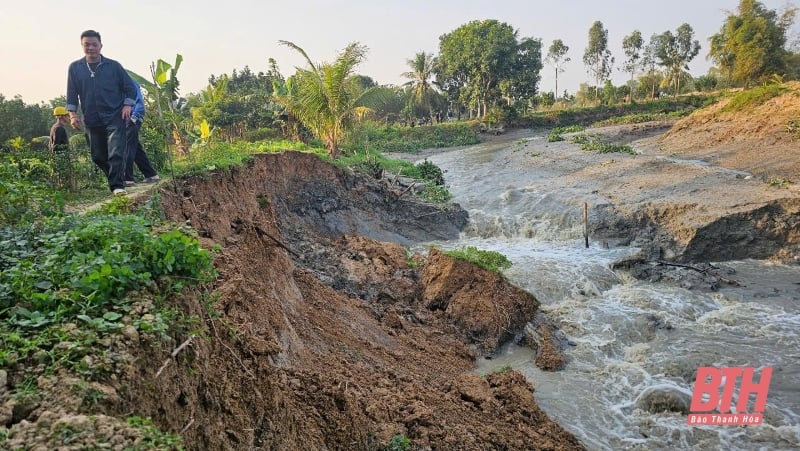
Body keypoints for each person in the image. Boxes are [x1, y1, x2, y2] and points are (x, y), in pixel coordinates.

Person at [66, 29, 137, 196]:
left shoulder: (113, 66)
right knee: (97, 156)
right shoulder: (75, 68)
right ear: (82, 46)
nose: (91, 48)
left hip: (115, 115)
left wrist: (127, 105)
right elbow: (71, 93)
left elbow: (130, 88)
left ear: (101, 46)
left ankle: (117, 186)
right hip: (91, 118)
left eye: (94, 44)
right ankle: (115, 176)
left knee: (116, 151)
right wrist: (73, 115)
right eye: (87, 45)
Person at [124, 77, 160, 186]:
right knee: (136, 148)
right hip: (124, 119)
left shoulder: (129, 81)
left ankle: (127, 178)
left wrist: (134, 117)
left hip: (133, 118)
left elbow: (139, 100)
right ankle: (151, 174)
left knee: (127, 146)